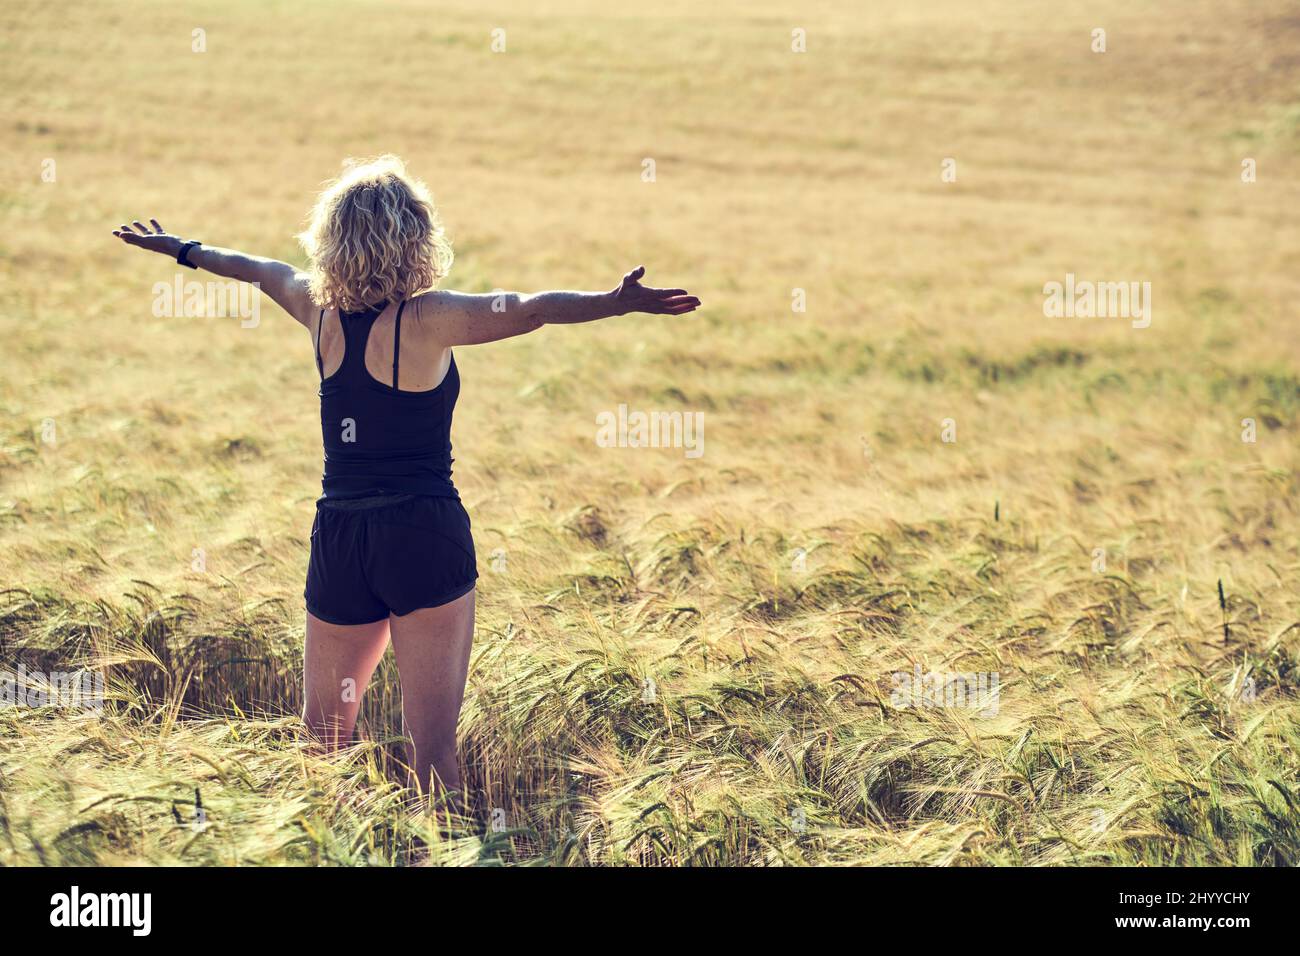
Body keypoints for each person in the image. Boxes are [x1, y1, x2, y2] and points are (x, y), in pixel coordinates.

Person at [111, 154, 700, 801]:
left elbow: (257, 270)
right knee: (434, 752)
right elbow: (530, 309)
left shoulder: (315, 309)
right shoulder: (427, 319)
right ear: (415, 241)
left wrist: (183, 250)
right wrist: (616, 303)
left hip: (340, 540)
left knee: (323, 741)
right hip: (422, 534)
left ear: (331, 242)